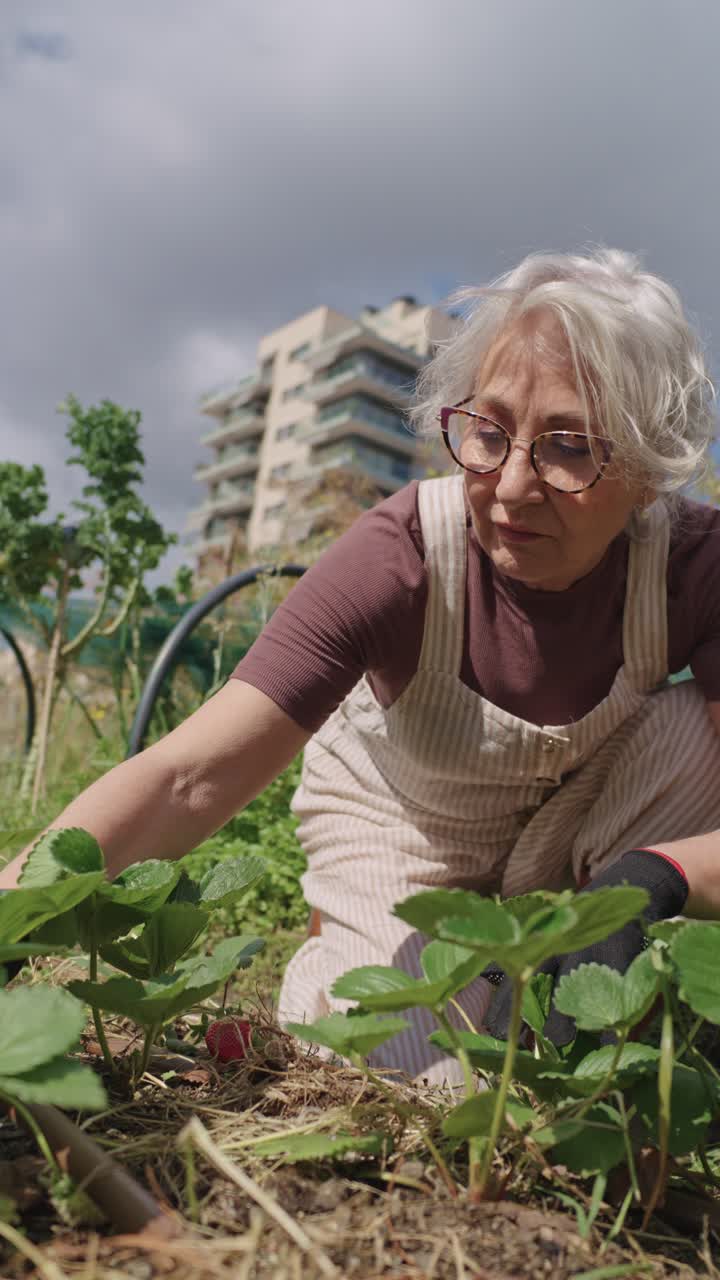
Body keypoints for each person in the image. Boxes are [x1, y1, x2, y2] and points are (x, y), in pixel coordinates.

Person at [3, 248, 720, 1085]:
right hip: (406, 827)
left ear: (646, 470)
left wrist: (662, 876)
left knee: (689, 738)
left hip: (584, 831)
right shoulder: (402, 554)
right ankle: (352, 958)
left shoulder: (696, 568)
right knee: (411, 1077)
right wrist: (14, 917)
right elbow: (186, 777)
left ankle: (552, 986)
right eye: (489, 431)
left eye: (568, 448)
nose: (512, 484)